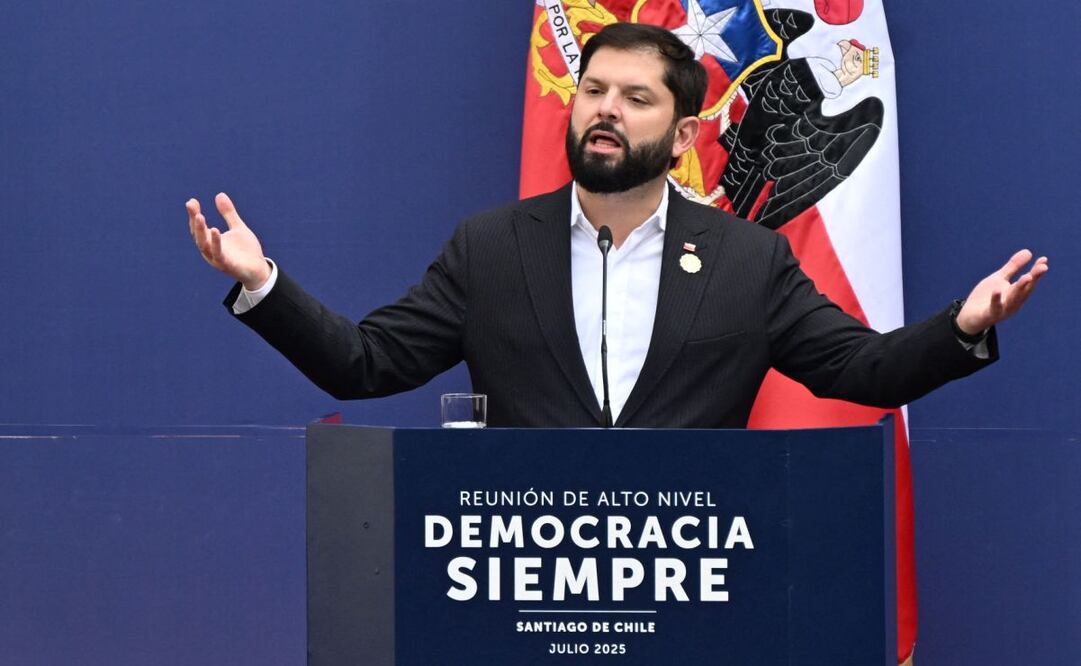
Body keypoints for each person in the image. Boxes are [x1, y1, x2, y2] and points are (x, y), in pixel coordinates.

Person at [185, 23, 1046, 429]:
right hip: (530, 588)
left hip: (691, 585)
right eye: (593, 91)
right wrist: (262, 284)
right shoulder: (489, 249)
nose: (605, 110)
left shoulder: (748, 260)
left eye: (635, 99)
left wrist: (962, 328)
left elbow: (862, 371)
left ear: (681, 136)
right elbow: (365, 365)